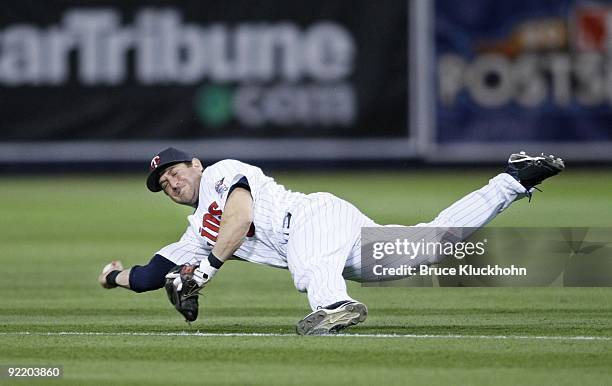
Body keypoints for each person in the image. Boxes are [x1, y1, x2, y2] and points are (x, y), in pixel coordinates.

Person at [99, 148, 564, 335]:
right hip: (328, 238)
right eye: (163, 183)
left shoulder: (220, 173)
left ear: (195, 165)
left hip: (311, 217)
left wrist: (205, 272)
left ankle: (335, 305)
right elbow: (148, 277)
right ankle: (513, 178)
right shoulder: (195, 233)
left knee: (308, 268)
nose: (171, 182)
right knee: (423, 248)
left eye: (174, 172)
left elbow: (239, 218)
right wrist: (113, 277)